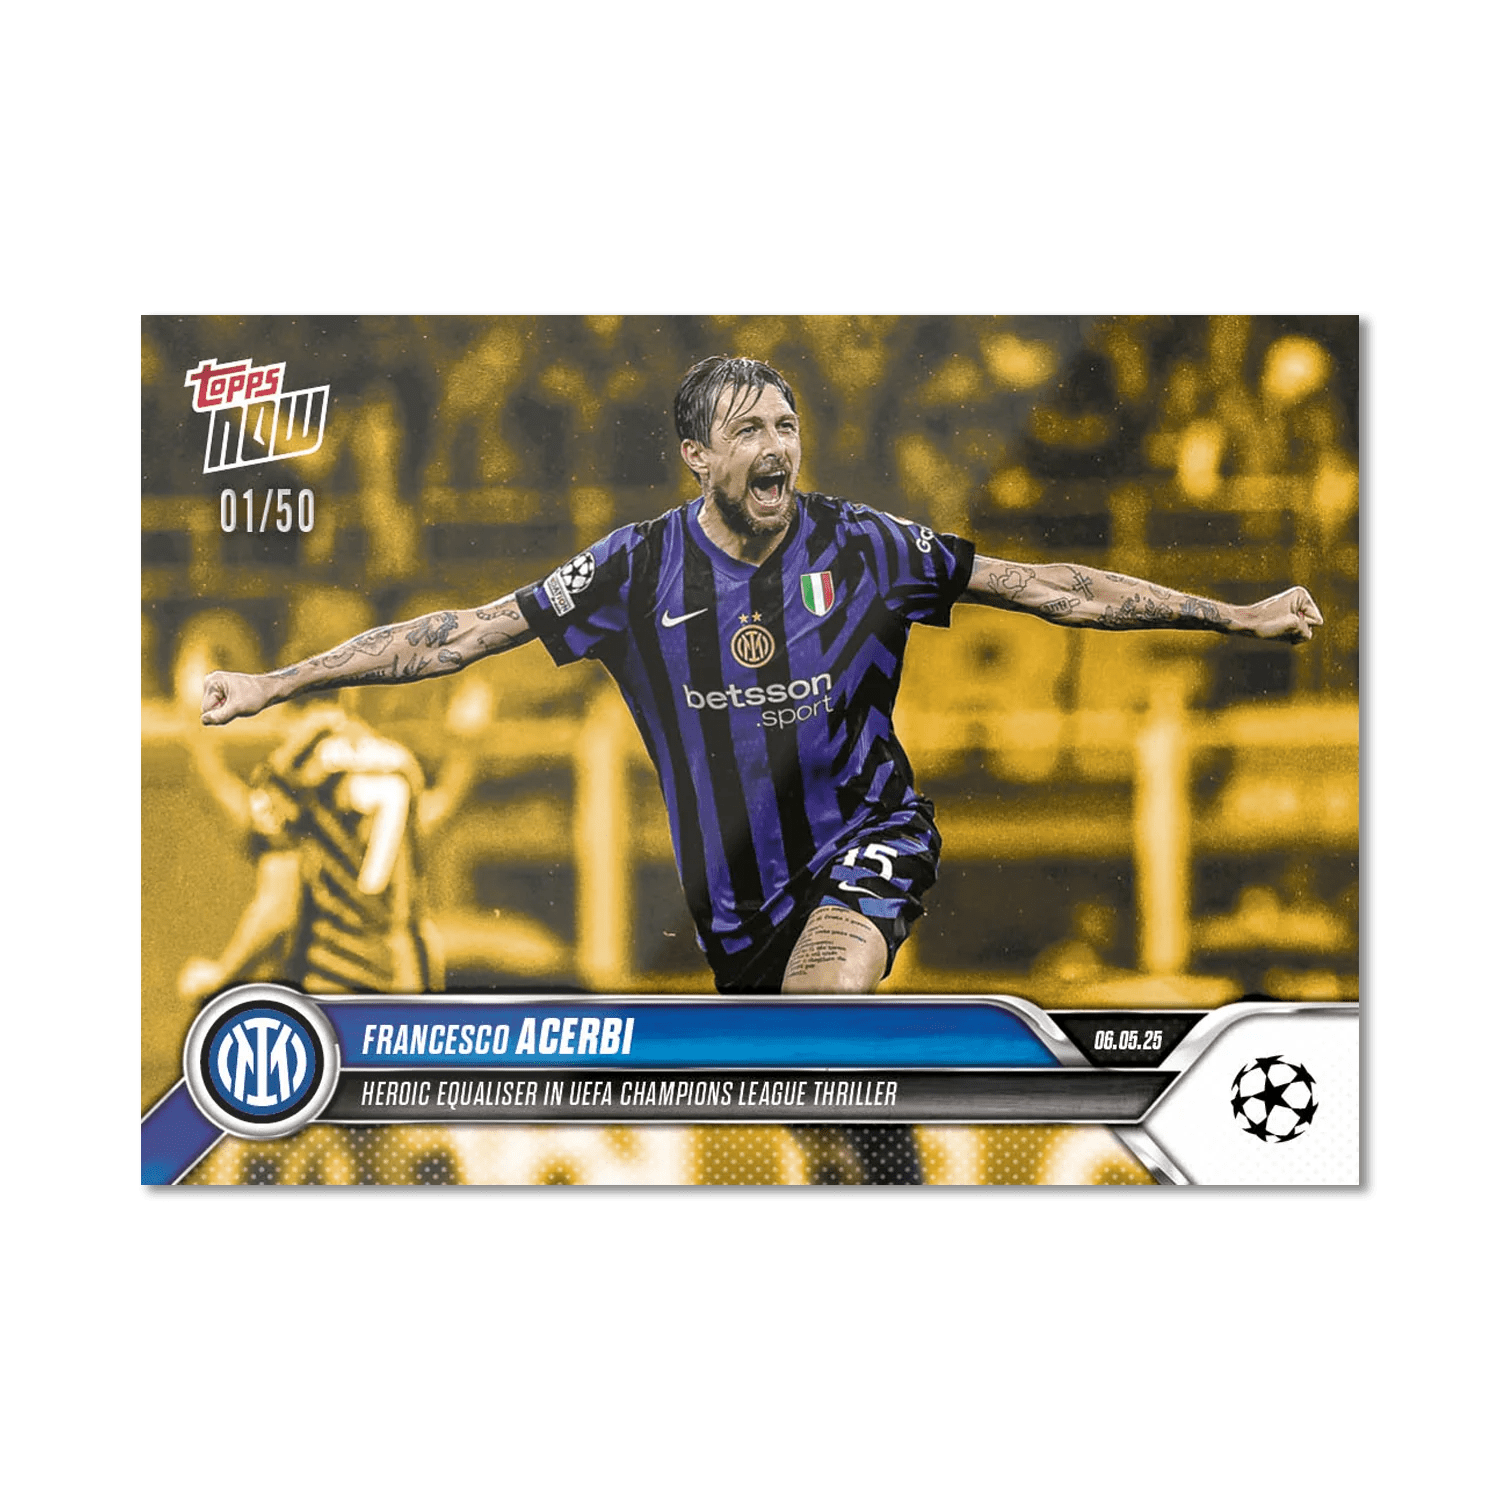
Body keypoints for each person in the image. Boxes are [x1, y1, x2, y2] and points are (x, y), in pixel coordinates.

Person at [200, 355, 1322, 1183]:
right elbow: (455, 636)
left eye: (788, 424)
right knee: (817, 1118)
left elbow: (1049, 588)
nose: (777, 444)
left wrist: (1230, 615)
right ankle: (889, 1173)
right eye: (749, 429)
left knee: (815, 1015)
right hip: (737, 906)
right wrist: (275, 684)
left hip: (871, 842)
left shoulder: (866, 544)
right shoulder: (634, 568)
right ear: (698, 457)